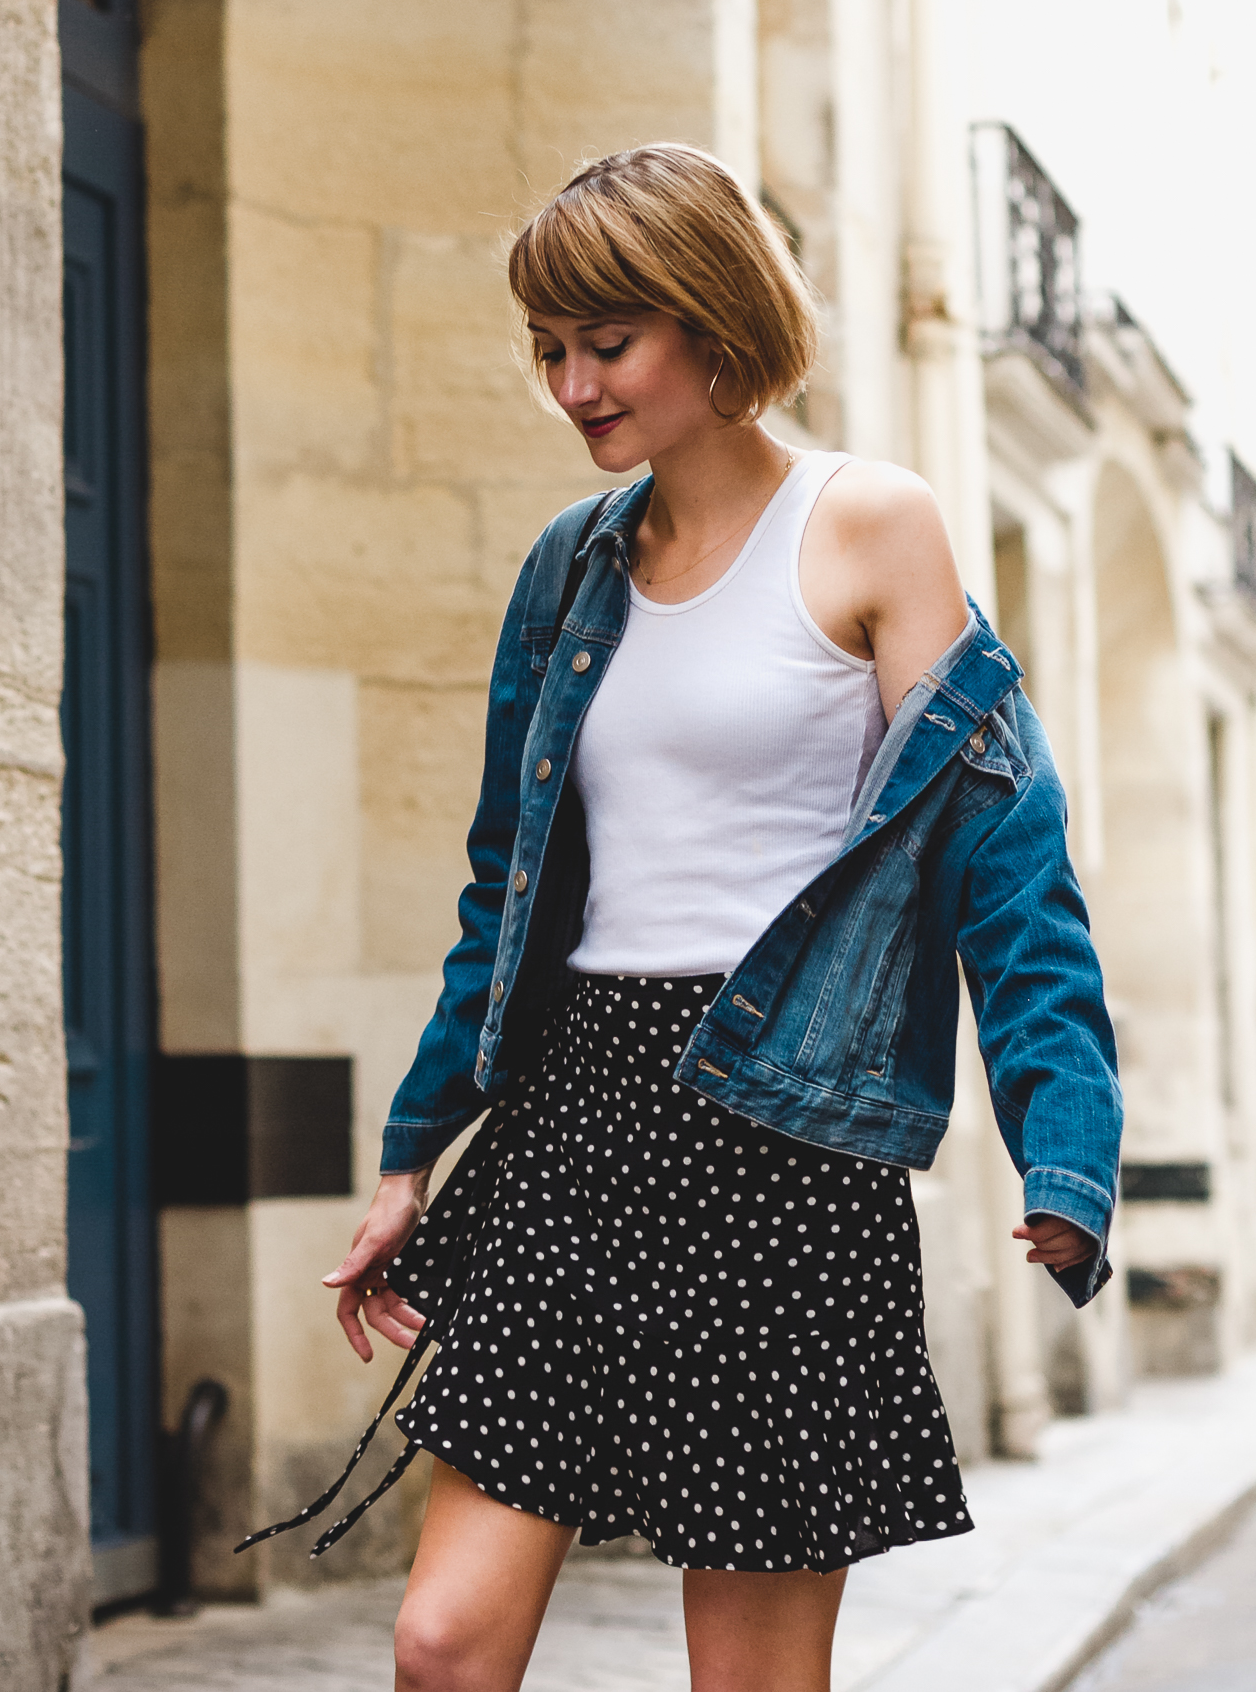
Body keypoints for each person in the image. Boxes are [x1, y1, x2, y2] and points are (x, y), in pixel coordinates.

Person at [241, 144, 1122, 1692]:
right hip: (579, 1119)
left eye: (608, 343)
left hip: (787, 1130)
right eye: (549, 350)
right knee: (443, 1640)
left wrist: (1065, 1148)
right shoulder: (568, 570)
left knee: (752, 1682)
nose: (573, 384)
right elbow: (502, 887)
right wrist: (411, 1149)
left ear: (714, 326)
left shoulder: (872, 526)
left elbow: (1011, 866)